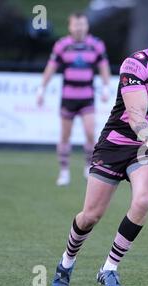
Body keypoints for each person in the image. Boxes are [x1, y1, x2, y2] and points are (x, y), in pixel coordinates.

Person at [50, 16, 148, 286]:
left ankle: (109, 268)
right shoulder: (136, 65)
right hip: (115, 144)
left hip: (146, 151)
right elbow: (136, 117)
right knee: (91, 216)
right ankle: (66, 262)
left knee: (143, 200)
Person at [37, 12, 111, 186]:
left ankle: (88, 166)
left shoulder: (96, 45)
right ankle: (64, 171)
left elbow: (104, 67)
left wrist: (106, 87)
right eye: (76, 25)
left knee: (90, 133)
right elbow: (51, 67)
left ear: (87, 26)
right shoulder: (62, 45)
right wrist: (41, 89)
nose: (79, 28)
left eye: (82, 24)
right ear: (70, 26)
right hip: (68, 98)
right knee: (65, 136)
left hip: (87, 97)